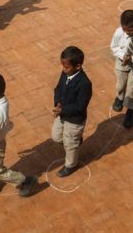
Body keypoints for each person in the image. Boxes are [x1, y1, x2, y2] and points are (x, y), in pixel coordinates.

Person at [51, 46, 92, 176]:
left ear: (78, 66)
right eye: (62, 66)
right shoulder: (65, 73)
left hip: (75, 120)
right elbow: (58, 88)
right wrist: (57, 102)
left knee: (69, 144)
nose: (63, 70)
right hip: (62, 114)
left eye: (66, 67)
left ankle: (71, 164)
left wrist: (62, 110)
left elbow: (80, 106)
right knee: (56, 137)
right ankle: (76, 141)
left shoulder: (85, 84)